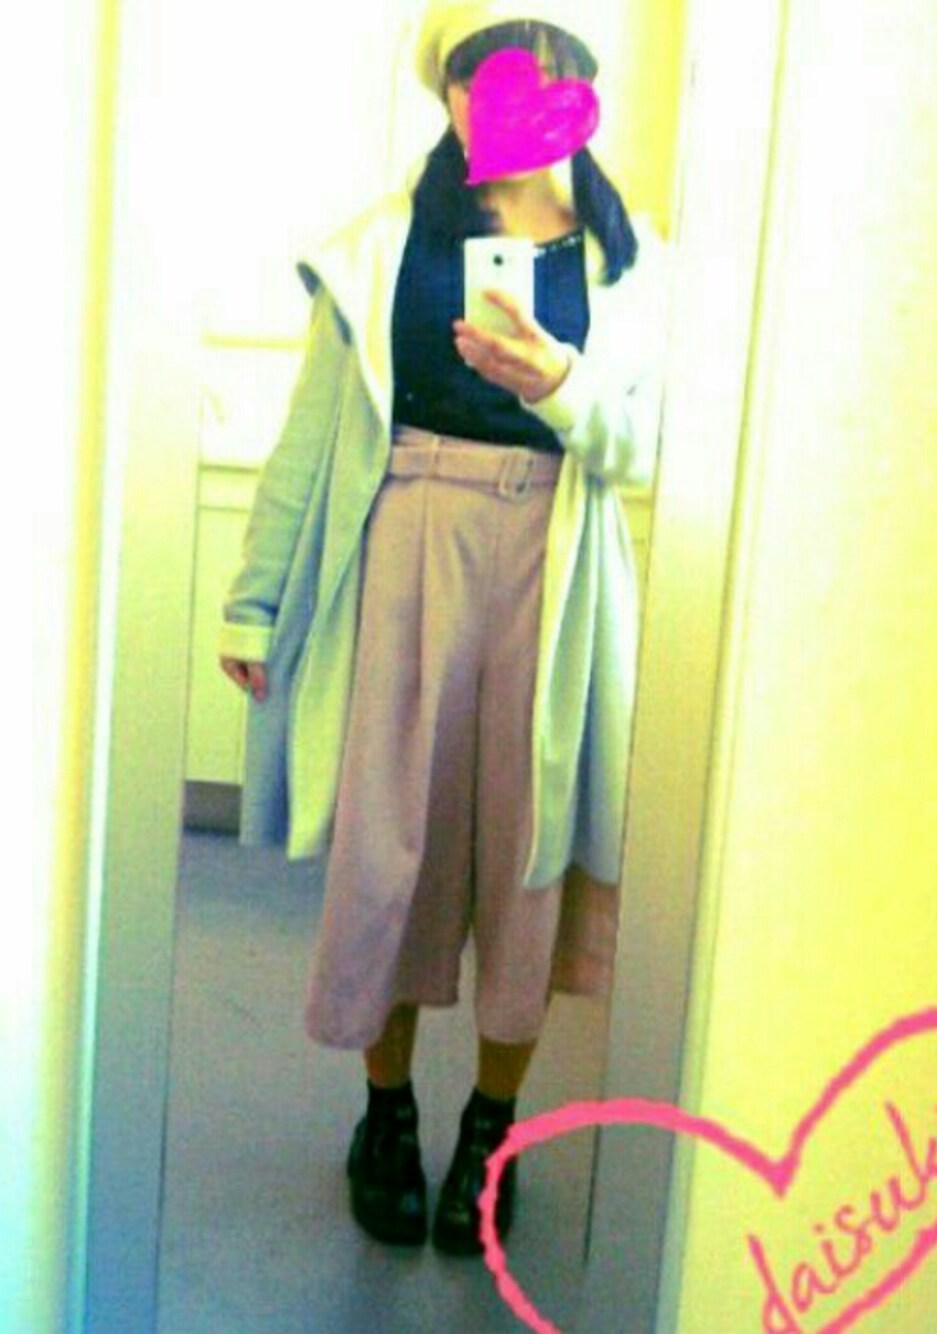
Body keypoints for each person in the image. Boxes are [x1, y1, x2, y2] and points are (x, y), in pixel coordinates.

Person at [218, 0, 673, 1257]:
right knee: (389, 848)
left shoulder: (633, 265)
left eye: (532, 72)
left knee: (527, 855)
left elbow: (646, 448)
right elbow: (313, 438)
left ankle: (490, 1124)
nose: (502, 98)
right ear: (450, 98)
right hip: (404, 549)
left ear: (577, 91)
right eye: (477, 77)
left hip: (555, 570)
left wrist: (561, 385)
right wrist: (255, 597)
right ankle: (385, 1111)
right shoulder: (381, 249)